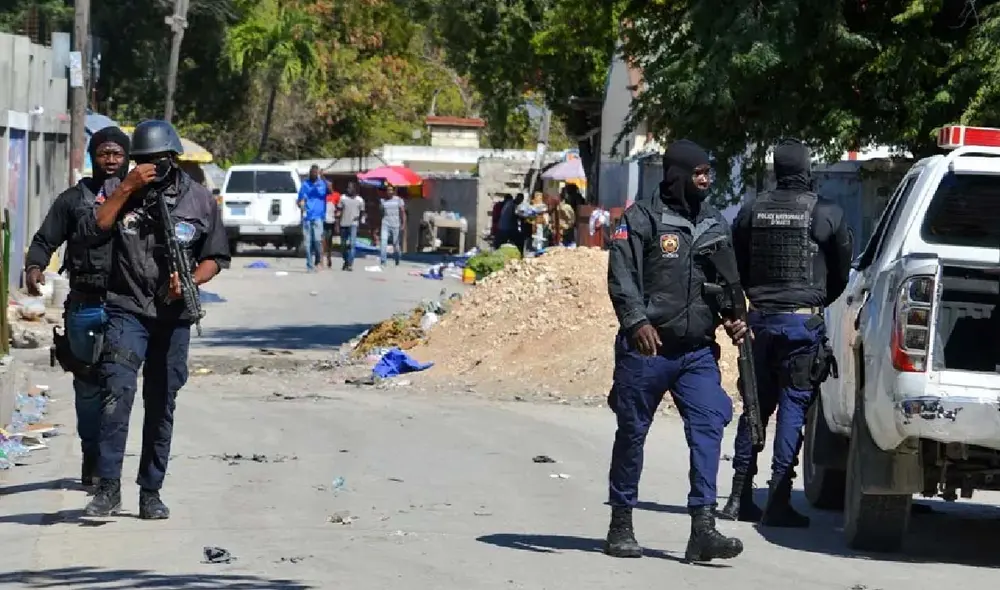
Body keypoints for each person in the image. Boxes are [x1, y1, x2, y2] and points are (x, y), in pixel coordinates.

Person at [605, 139, 747, 562]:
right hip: (647, 349)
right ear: (677, 175)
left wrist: (733, 316)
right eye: (700, 173)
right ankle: (620, 523)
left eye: (709, 172)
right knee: (632, 433)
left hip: (696, 352)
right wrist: (636, 322)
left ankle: (703, 527)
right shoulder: (642, 218)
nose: (707, 180)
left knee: (709, 423)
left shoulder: (715, 223)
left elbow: (723, 283)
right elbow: (622, 275)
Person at [81, 119, 230, 519]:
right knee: (117, 393)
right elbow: (95, 229)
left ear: (173, 159)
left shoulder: (199, 200)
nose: (152, 167)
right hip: (127, 308)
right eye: (143, 160)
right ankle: (108, 488)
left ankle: (151, 491)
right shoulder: (119, 191)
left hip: (173, 316)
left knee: (161, 401)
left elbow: (217, 257)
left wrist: (192, 280)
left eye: (159, 160)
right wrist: (129, 187)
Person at [719, 138, 852, 527]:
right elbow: (842, 272)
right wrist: (815, 302)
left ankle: (738, 497)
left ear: (777, 170)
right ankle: (778, 499)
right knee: (793, 410)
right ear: (807, 170)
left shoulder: (749, 211)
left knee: (755, 409)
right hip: (800, 325)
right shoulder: (825, 212)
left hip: (759, 323)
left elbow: (736, 266)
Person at [23, 126, 131, 487]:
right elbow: (44, 240)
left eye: (117, 154)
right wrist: (34, 267)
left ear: (127, 157)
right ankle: (90, 453)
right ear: (94, 157)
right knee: (87, 386)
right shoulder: (73, 199)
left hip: (126, 307)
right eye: (105, 153)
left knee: (118, 385)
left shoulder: (139, 197)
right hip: (84, 305)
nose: (111, 160)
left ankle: (109, 466)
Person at [297, 164, 328, 272]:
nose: (313, 174)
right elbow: (299, 199)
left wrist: (323, 177)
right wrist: (301, 205)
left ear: (318, 173)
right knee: (307, 243)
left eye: (316, 173)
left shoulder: (322, 184)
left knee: (317, 240)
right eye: (312, 172)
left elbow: (330, 190)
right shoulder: (305, 184)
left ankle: (318, 259)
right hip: (307, 217)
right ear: (310, 173)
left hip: (318, 216)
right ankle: (309, 265)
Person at [337, 181, 365, 271]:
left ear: (354, 189)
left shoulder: (360, 200)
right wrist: (337, 224)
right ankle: (346, 260)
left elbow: (363, 212)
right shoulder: (343, 198)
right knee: (343, 246)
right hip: (343, 223)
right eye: (348, 187)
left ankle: (350, 264)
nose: (348, 189)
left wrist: (360, 220)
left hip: (354, 224)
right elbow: (339, 211)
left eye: (350, 187)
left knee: (352, 245)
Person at [379, 185, 406, 266]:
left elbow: (403, 212)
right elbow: (381, 213)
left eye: (391, 190)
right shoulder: (383, 200)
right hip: (385, 224)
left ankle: (397, 258)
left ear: (394, 191)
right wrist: (380, 206)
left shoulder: (398, 200)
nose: (389, 192)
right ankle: (383, 261)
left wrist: (403, 224)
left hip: (395, 225)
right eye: (388, 190)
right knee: (383, 242)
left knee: (396, 244)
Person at [323, 185, 341, 268]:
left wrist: (337, 215)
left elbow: (340, 208)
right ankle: (322, 258)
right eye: (327, 187)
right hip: (322, 220)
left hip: (331, 221)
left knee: (329, 240)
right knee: (323, 240)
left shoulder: (336, 195)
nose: (329, 188)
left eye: (330, 186)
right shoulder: (323, 196)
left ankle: (329, 256)